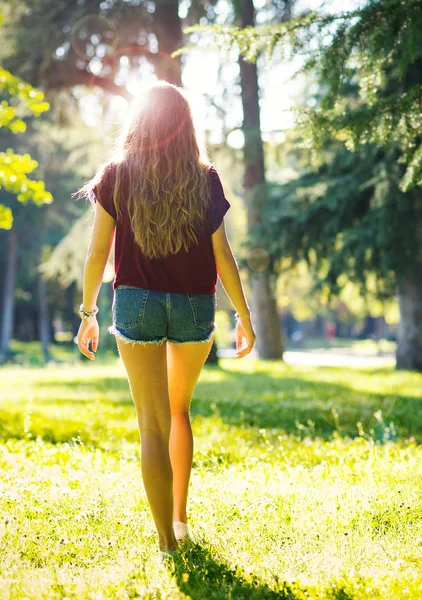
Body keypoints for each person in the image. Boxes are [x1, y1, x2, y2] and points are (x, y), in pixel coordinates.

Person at [74, 81, 256, 563]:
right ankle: (181, 518)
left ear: (138, 122)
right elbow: (222, 253)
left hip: (135, 302)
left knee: (151, 424)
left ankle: (167, 544)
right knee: (178, 413)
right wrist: (244, 313)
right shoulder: (205, 176)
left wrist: (88, 313)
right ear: (184, 125)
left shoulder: (116, 175)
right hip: (196, 304)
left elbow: (96, 254)